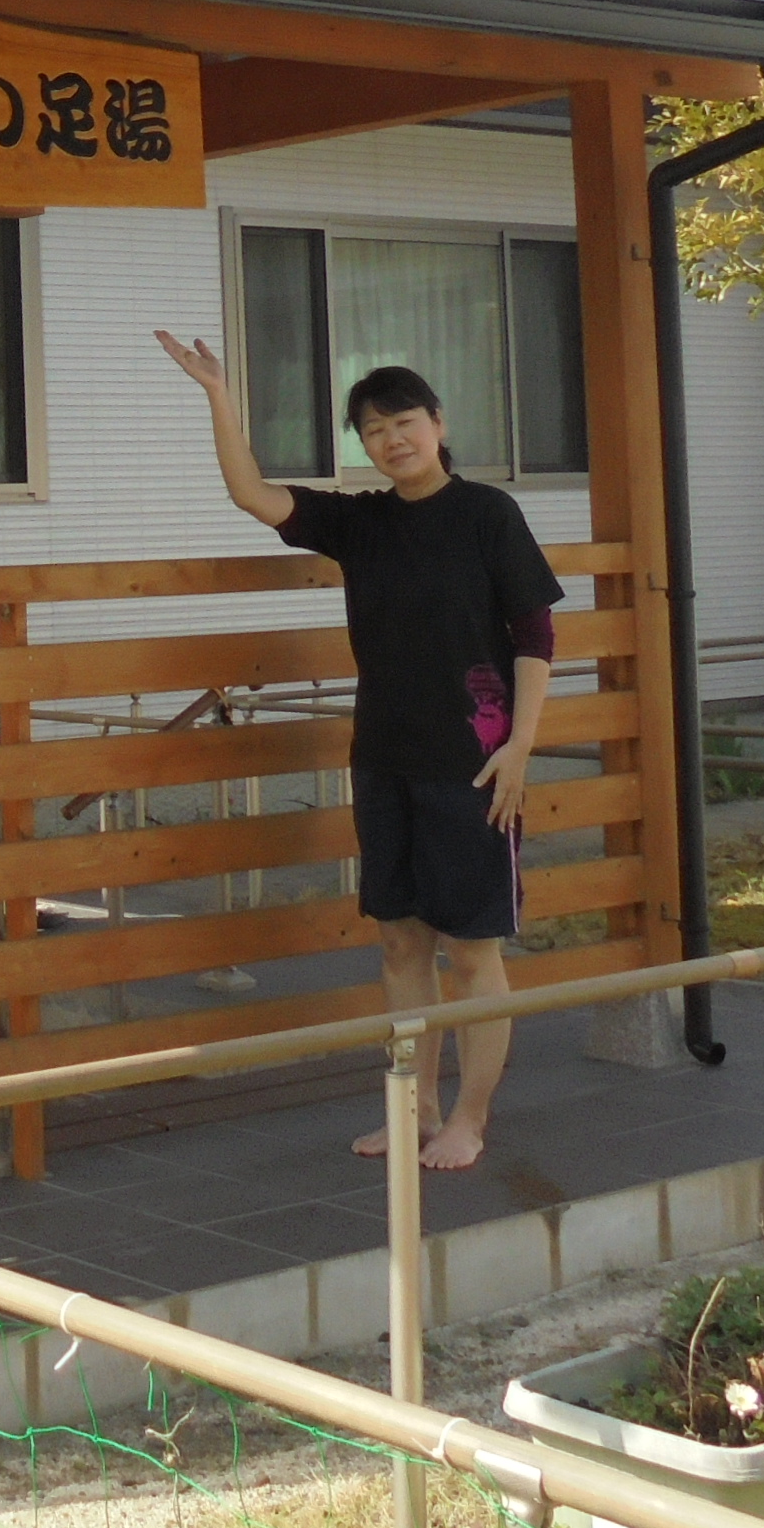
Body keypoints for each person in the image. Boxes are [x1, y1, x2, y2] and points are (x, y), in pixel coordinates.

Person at [152, 332, 560, 1171]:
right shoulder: (362, 522)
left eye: (404, 422)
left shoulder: (488, 515)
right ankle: (416, 1109)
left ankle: (470, 1119)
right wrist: (219, 395)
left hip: (477, 764)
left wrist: (522, 745)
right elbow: (252, 494)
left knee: (472, 950)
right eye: (374, 430)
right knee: (400, 943)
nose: (392, 440)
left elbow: (535, 634)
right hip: (383, 759)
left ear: (438, 424)